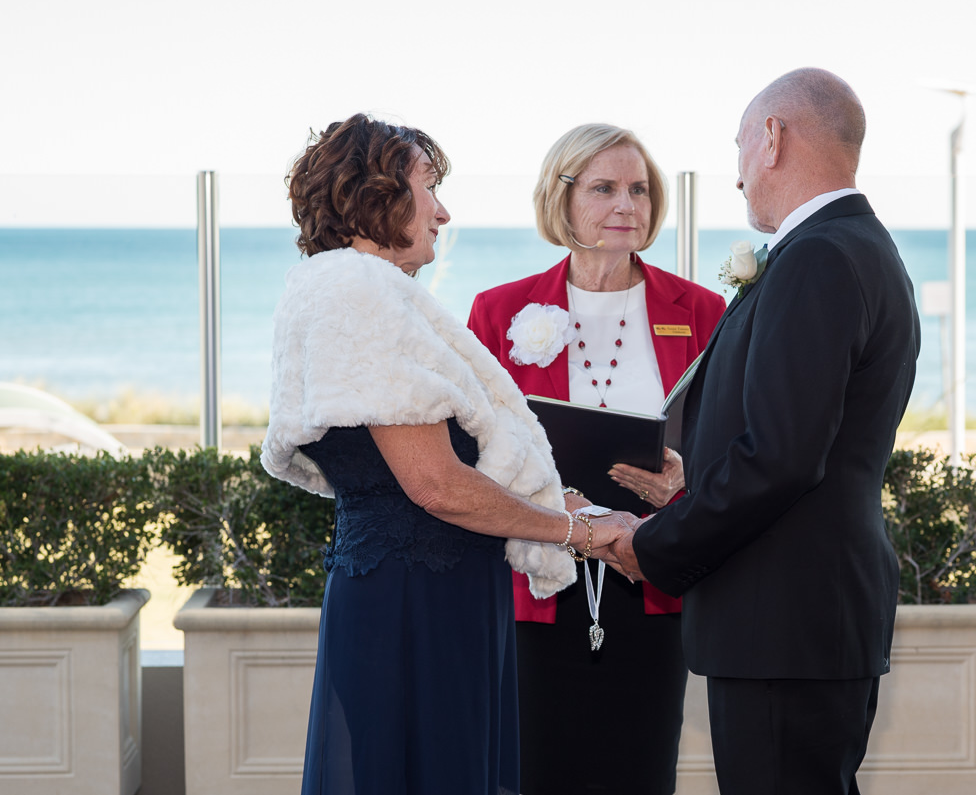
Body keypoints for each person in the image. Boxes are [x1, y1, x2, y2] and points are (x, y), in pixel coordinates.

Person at [260, 113, 633, 795]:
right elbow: (435, 484)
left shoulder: (343, 289)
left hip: (418, 592)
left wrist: (561, 500)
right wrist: (576, 532)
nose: (443, 210)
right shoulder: (363, 293)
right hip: (418, 606)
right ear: (375, 196)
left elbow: (415, 471)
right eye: (428, 186)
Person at [604, 69, 922, 794]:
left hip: (783, 623)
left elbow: (781, 457)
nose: (738, 170)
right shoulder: (861, 248)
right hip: (805, 620)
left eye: (742, 143)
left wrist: (653, 544)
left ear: (773, 138)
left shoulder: (816, 258)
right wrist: (694, 479)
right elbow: (813, 440)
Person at [467, 123, 726, 795]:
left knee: (641, 770)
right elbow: (472, 449)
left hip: (652, 577)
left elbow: (730, 446)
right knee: (536, 772)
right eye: (605, 188)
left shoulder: (701, 310)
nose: (627, 206)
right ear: (562, 197)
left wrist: (685, 479)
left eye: (639, 190)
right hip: (538, 588)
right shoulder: (498, 312)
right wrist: (560, 502)